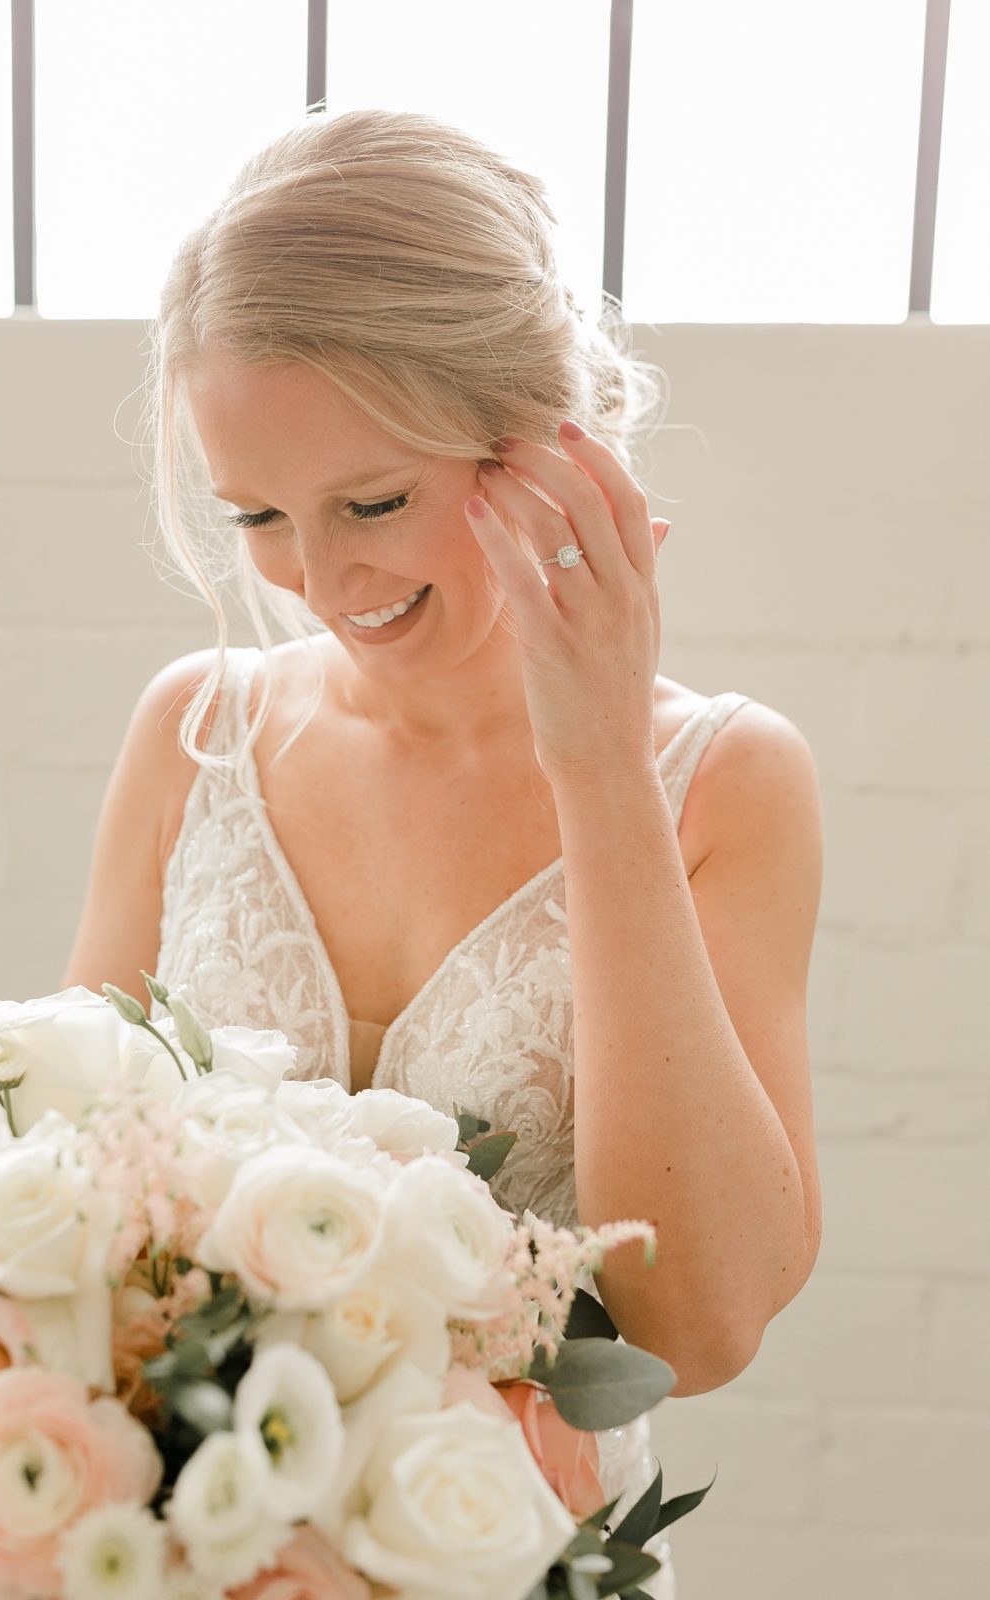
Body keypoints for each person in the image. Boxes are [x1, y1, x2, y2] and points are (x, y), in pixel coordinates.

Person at [62, 108, 824, 1598]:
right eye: (259, 516)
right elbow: (80, 1213)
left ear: (546, 439)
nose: (323, 579)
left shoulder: (725, 782)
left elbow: (705, 1326)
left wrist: (597, 763)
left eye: (377, 502)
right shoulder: (191, 735)